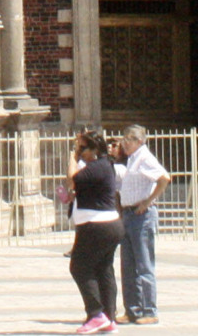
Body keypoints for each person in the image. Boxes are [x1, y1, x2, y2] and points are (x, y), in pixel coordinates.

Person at [68, 128, 125, 334]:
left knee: (79, 267)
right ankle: (109, 317)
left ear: (93, 149)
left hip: (97, 226)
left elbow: (72, 178)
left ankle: (96, 314)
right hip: (107, 225)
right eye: (78, 148)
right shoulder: (102, 166)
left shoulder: (98, 166)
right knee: (103, 269)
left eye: (82, 148)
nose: (80, 152)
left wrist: (72, 157)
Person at [115, 124, 170, 324]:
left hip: (142, 216)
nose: (124, 142)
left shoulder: (145, 158)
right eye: (124, 138)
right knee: (128, 266)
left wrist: (148, 201)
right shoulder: (132, 159)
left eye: (129, 138)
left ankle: (149, 310)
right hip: (129, 215)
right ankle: (132, 309)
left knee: (144, 265)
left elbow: (164, 178)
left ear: (140, 141)